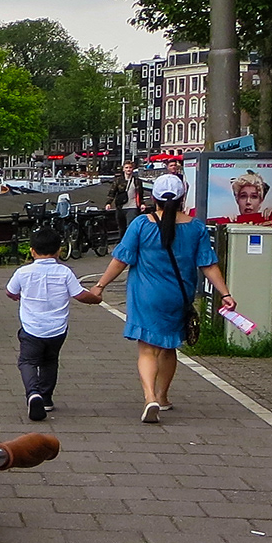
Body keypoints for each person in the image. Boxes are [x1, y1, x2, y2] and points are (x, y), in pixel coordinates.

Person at [90, 173, 237, 424]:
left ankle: (149, 397)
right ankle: (163, 396)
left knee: (147, 349)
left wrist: (100, 285)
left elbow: (121, 260)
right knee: (169, 347)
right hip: (178, 296)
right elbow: (208, 264)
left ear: (153, 198)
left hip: (145, 295)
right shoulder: (196, 228)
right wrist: (225, 294)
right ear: (182, 199)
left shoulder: (141, 224)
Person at [6, 226, 101, 421]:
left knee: (27, 362)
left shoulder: (23, 272)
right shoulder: (65, 272)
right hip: (57, 329)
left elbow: (10, 291)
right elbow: (80, 295)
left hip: (31, 328)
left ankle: (33, 393)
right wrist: (96, 298)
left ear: (32, 251)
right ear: (59, 251)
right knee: (50, 361)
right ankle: (46, 398)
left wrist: (18, 296)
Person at [107, 161, 144, 229]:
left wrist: (142, 204)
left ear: (133, 169)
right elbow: (112, 192)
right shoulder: (118, 180)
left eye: (130, 167)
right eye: (126, 168)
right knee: (121, 228)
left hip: (132, 207)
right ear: (123, 169)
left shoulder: (137, 181)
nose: (128, 169)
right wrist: (109, 203)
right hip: (120, 207)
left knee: (130, 227)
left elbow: (140, 194)